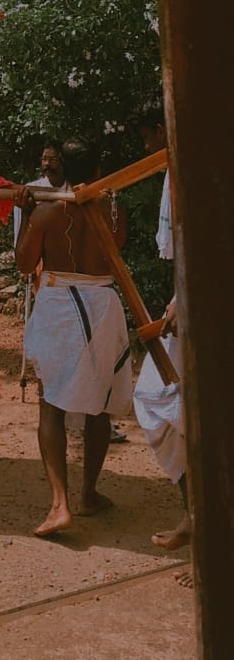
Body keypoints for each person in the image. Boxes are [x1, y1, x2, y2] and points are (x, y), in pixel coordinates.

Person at [15, 137, 132, 537]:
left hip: (60, 305)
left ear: (63, 166)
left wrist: (25, 217)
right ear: (98, 170)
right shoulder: (114, 209)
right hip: (100, 303)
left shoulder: (46, 213)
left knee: (52, 405)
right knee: (98, 405)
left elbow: (24, 264)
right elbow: (116, 247)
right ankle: (88, 493)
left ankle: (60, 504)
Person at [133, 111, 190, 556]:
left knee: (174, 405)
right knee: (156, 400)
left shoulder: (193, 169)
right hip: (187, 300)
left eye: (149, 137)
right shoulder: (176, 172)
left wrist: (182, 299)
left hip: (200, 306)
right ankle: (196, 513)